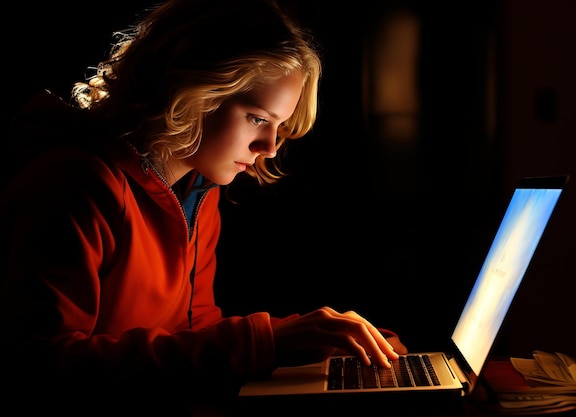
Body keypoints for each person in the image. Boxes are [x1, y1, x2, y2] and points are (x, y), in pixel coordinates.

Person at [0, 0, 407, 413]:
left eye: (278, 126)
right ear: (190, 91)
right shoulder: (77, 182)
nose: (268, 147)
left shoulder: (197, 189)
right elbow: (39, 365)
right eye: (255, 118)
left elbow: (188, 337)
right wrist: (267, 342)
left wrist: (314, 342)